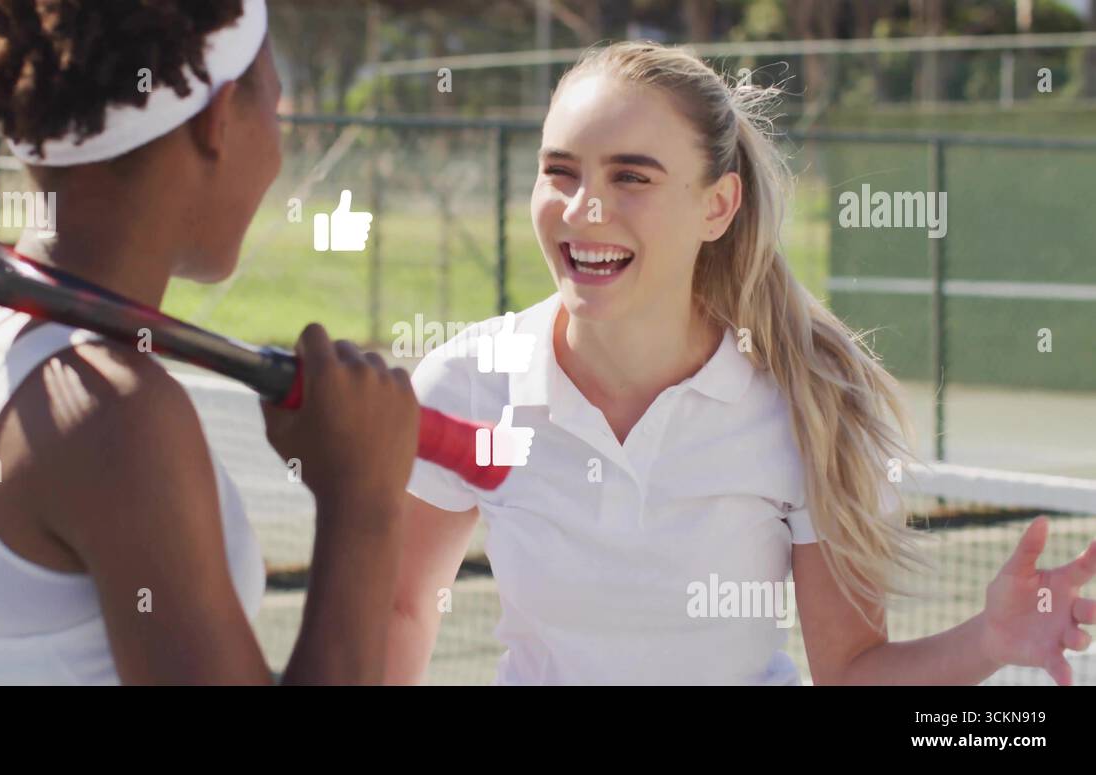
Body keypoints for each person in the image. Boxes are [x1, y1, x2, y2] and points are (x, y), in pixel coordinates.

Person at [386, 41, 1096, 686]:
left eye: (632, 176)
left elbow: (850, 671)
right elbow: (400, 611)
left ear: (718, 206)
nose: (585, 208)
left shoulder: (808, 401)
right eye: (559, 172)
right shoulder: (469, 384)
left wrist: (989, 639)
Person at [0, 0, 419, 685]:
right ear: (218, 119)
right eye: (275, 108)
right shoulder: (115, 414)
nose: (280, 149)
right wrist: (363, 499)